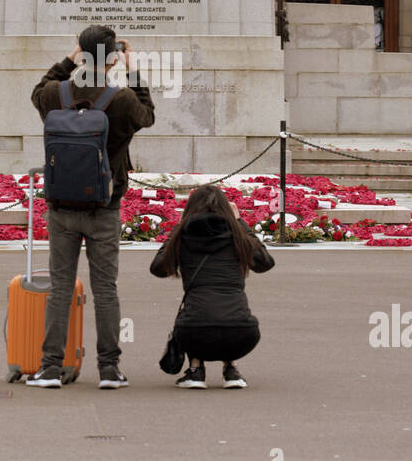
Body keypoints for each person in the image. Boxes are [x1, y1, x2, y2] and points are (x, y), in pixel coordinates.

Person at [28, 25, 155, 390]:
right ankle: (109, 369)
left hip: (62, 207)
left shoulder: (55, 94)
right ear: (114, 58)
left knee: (61, 289)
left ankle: (50, 367)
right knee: (105, 290)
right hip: (105, 206)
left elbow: (38, 90)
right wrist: (132, 71)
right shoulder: (123, 100)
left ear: (81, 55)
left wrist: (68, 62)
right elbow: (147, 115)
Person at [150, 185, 275, 389]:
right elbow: (265, 263)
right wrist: (240, 223)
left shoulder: (184, 237)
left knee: (199, 312)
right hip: (243, 334)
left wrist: (179, 227)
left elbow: (158, 268)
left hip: (193, 333)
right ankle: (231, 369)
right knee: (224, 311)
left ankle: (195, 370)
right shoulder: (238, 237)